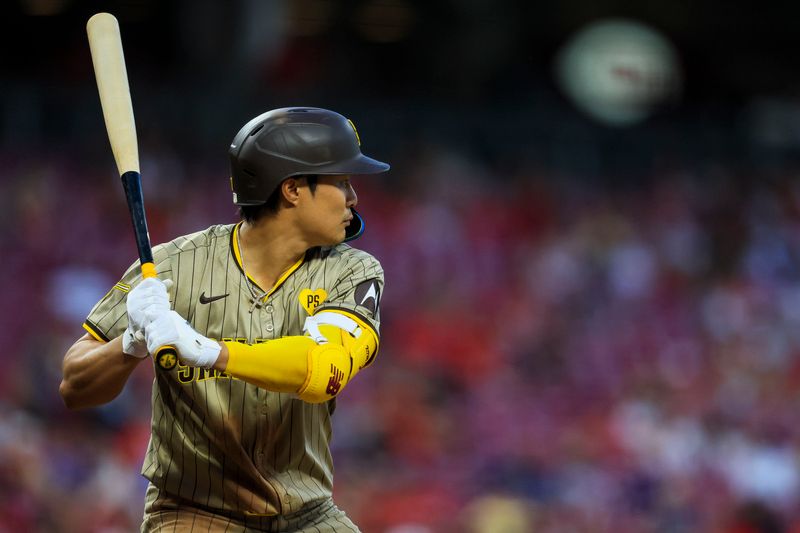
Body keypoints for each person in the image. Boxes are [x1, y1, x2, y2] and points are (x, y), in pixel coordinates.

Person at [59, 107, 389, 532]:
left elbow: (327, 368)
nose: (353, 197)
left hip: (308, 516)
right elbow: (73, 388)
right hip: (194, 513)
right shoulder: (172, 266)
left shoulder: (353, 270)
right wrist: (130, 344)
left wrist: (211, 352)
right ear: (291, 189)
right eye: (340, 180)